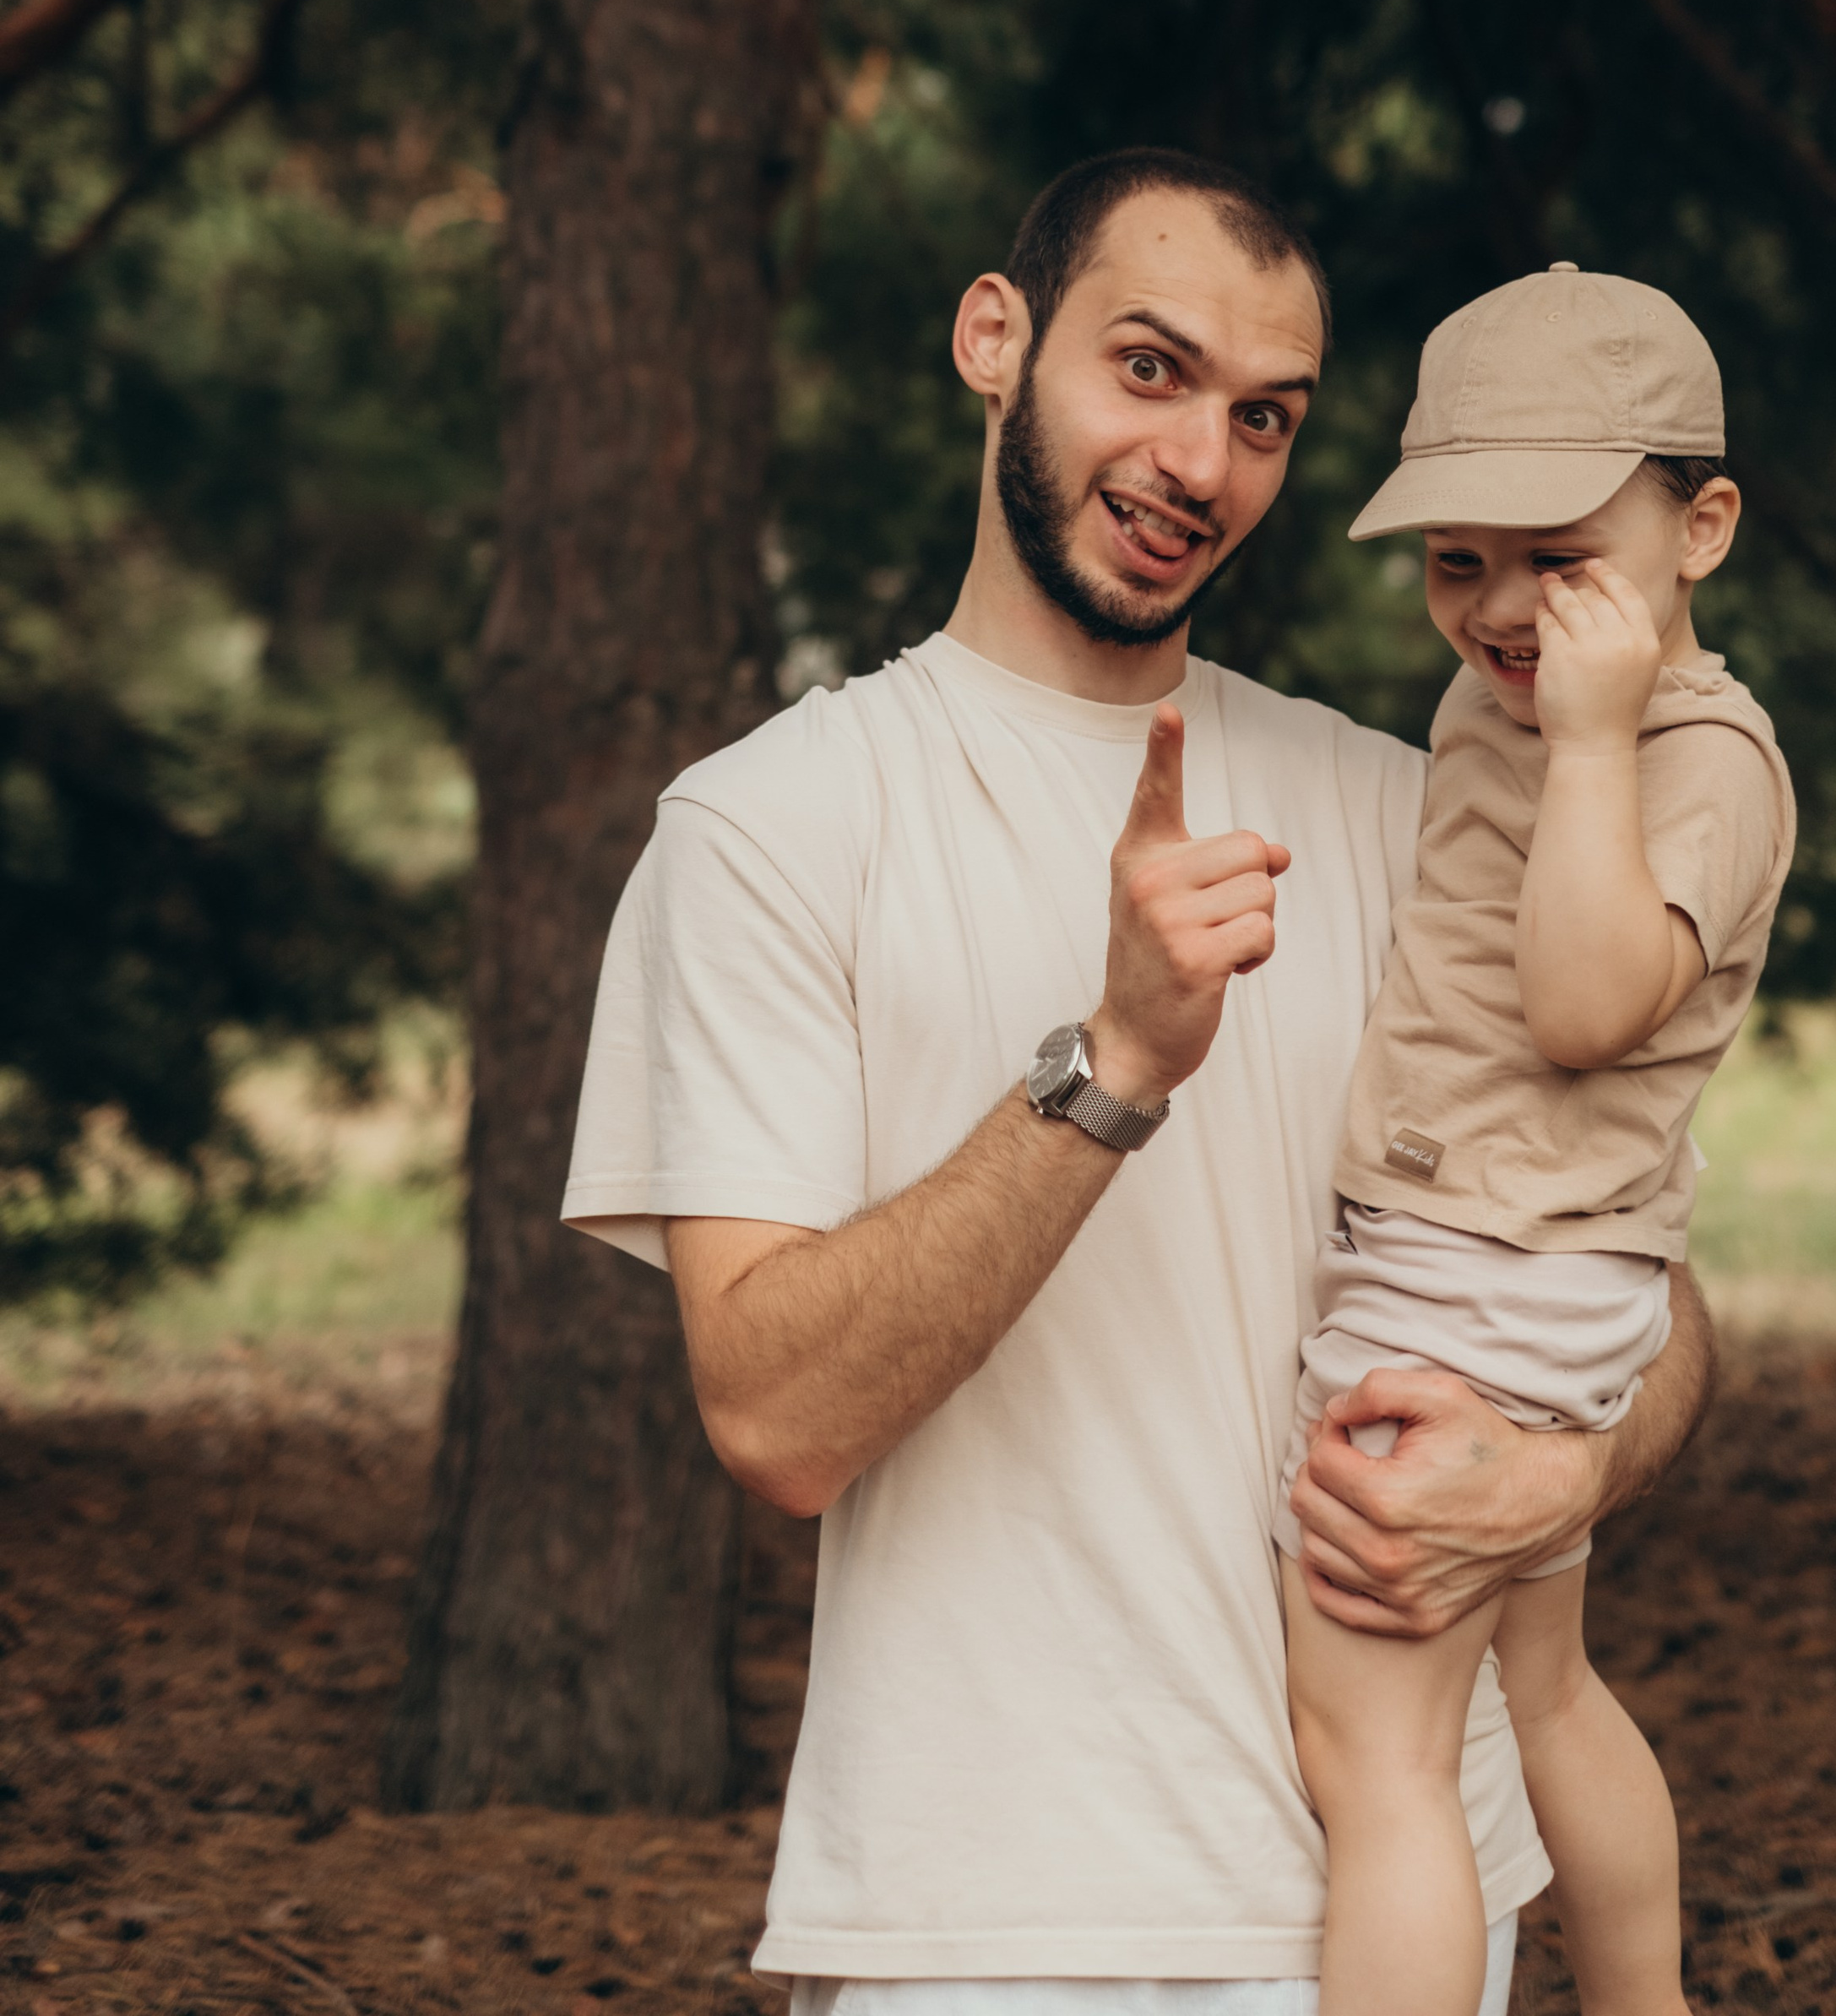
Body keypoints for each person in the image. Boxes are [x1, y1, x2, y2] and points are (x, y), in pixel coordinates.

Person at [562, 153, 1717, 2016]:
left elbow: (1648, 1304)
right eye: (1151, 370)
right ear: (993, 339)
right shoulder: (770, 829)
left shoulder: (1417, 810)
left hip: (1409, 1911)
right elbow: (773, 1414)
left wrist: (1553, 1481)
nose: (1201, 465)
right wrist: (1110, 1068)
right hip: (1003, 1943)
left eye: (1263, 418)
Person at [1274, 267, 1795, 2016]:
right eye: (1453, 559)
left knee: (1382, 1763)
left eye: (1556, 556)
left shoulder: (1695, 759)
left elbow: (1584, 1006)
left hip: (1472, 1284)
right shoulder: (1512, 705)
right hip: (1525, 1273)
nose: (1500, 609)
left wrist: (1586, 744)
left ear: (1698, 527)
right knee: (1546, 1689)